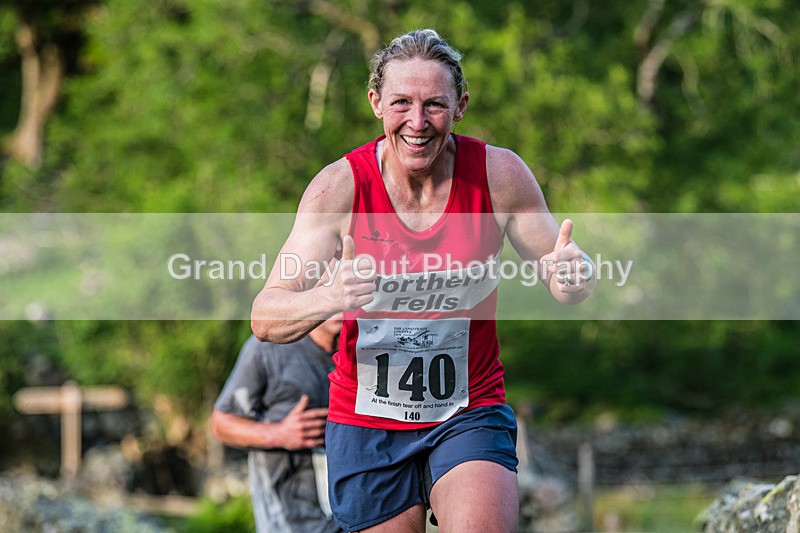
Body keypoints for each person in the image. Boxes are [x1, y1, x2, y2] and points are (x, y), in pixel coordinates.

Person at [251, 29, 596, 532]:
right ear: (375, 103)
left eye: (434, 104)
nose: (417, 122)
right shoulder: (338, 189)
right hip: (367, 422)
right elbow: (266, 316)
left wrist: (573, 275)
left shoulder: (498, 177)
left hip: (467, 411)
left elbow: (562, 272)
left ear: (460, 106)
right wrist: (332, 295)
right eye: (401, 103)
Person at [211, 318, 344, 533]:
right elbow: (221, 423)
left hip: (349, 521)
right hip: (286, 522)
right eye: (333, 288)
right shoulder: (269, 347)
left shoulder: (368, 349)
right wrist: (279, 434)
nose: (341, 304)